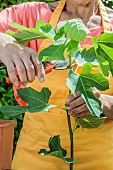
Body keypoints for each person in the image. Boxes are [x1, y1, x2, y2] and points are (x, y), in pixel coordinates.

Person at [0, 0, 113, 169]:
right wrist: (4, 44)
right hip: (36, 160)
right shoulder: (31, 15)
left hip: (101, 162)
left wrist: (107, 104)